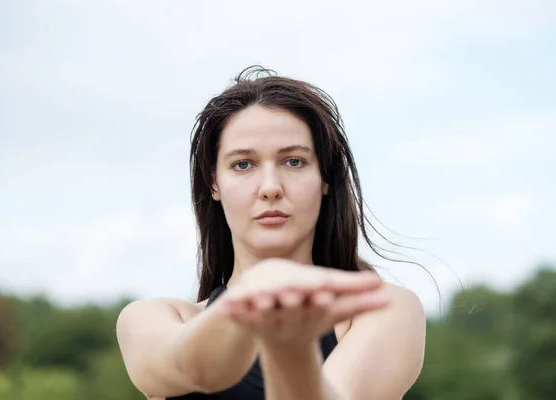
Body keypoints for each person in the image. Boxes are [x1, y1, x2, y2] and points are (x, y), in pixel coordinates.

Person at [116, 66, 426, 400]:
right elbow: (193, 366)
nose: (270, 188)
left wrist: (290, 349)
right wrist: (249, 303)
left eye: (293, 161)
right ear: (214, 183)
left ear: (324, 177)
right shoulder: (152, 318)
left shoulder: (385, 309)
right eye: (243, 164)